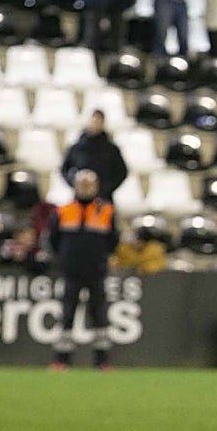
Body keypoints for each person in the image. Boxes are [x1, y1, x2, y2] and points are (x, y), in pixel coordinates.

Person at [49, 169, 119, 371]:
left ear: (96, 188)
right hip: (71, 271)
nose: (86, 188)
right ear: (75, 186)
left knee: (99, 316)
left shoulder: (106, 211)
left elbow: (113, 241)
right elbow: (53, 240)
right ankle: (61, 360)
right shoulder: (62, 211)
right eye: (82, 184)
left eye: (89, 185)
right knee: (67, 315)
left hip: (96, 271)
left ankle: (102, 361)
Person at [62, 109, 128, 203]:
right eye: (94, 119)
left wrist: (105, 188)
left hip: (103, 199)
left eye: (99, 120)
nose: (95, 123)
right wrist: (75, 182)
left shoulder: (111, 149)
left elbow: (121, 172)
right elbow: (64, 169)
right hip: (80, 200)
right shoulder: (77, 148)